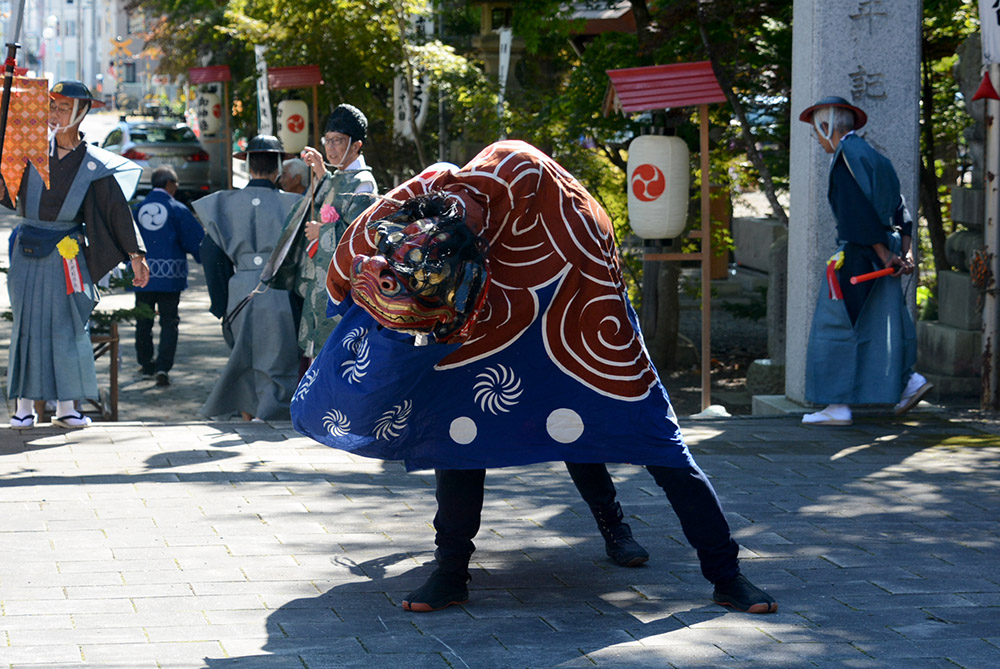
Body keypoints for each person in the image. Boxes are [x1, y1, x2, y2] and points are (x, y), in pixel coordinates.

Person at [291, 141, 777, 615]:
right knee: (455, 433)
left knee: (623, 428)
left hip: (582, 325)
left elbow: (600, 297)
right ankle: (451, 570)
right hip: (489, 324)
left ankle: (717, 570)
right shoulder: (438, 189)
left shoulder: (573, 217)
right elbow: (358, 247)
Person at [2, 80, 149, 429]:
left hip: (68, 253)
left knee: (69, 327)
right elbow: (4, 187)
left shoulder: (95, 163)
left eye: (65, 107)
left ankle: (67, 406)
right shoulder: (28, 151)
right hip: (26, 250)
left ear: (82, 112)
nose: (56, 113)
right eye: (52, 106)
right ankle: (24, 407)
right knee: (27, 326)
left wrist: (135, 254)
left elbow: (117, 211)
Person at [798, 96, 932, 426]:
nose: (817, 138)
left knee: (835, 326)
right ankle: (909, 382)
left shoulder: (846, 159)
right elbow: (901, 208)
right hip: (886, 250)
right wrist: (905, 250)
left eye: (817, 131)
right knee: (886, 322)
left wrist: (885, 255)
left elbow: (855, 214)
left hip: (863, 254)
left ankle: (837, 406)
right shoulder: (875, 157)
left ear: (826, 127)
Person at [193, 135, 302, 421]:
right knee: (278, 357)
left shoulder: (222, 203)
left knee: (243, 356)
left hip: (239, 286)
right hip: (278, 286)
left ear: (248, 165)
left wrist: (220, 301)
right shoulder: (296, 203)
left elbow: (210, 254)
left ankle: (245, 414)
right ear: (279, 166)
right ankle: (272, 414)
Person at [289, 103, 377, 363]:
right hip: (321, 277)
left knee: (335, 352)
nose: (331, 147)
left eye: (338, 141)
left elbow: (358, 237)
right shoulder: (339, 177)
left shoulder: (364, 182)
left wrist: (321, 230)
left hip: (341, 283)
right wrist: (321, 173)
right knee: (315, 352)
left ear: (357, 144)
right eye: (328, 141)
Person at [131, 166, 205, 387]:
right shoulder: (177, 209)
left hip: (141, 273)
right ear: (170, 184)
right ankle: (163, 367)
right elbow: (195, 241)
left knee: (143, 320)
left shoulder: (137, 208)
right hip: (170, 275)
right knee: (169, 322)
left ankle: (145, 363)